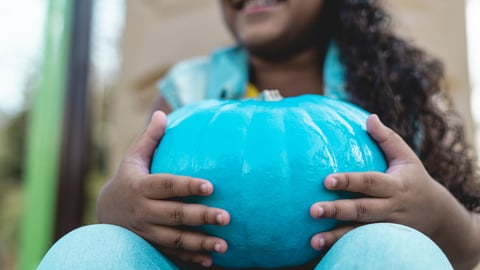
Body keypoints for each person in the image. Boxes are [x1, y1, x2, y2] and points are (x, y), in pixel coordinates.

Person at [39, 0, 480, 269]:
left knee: (395, 251)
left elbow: (466, 253)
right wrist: (115, 206)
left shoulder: (392, 90)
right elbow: (138, 199)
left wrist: (434, 212)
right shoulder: (187, 90)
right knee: (89, 251)